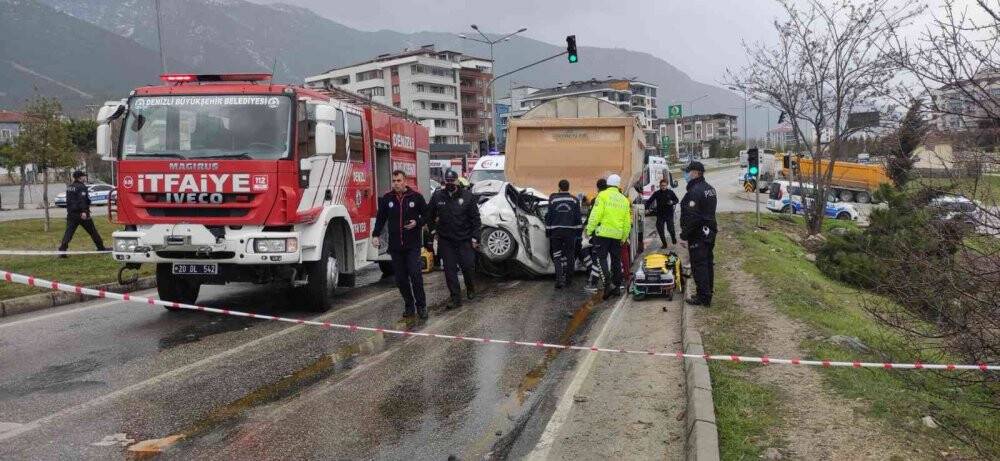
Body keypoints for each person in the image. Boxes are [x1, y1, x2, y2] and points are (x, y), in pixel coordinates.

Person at [372, 170, 428, 319]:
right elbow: (380, 218)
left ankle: (421, 306)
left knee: (415, 275)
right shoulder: (387, 198)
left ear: (405, 181)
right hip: (396, 247)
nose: (396, 183)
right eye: (394, 181)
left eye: (399, 180)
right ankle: (409, 305)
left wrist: (417, 222)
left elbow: (427, 214)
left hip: (412, 245)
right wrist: (375, 235)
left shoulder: (416, 197)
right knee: (401, 279)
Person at [428, 169, 481, 308]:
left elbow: (476, 219)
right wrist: (433, 230)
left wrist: (475, 238)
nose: (450, 183)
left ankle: (470, 287)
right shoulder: (438, 196)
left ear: (457, 181)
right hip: (446, 240)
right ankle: (455, 298)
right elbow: (429, 214)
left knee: (467, 267)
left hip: (464, 239)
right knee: (449, 270)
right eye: (447, 181)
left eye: (452, 181)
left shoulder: (468, 197)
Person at [585, 173, 632, 300]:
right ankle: (617, 287)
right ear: (618, 185)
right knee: (616, 260)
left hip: (602, 234)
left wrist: (589, 230)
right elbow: (627, 222)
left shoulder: (602, 195)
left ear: (608, 183)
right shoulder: (624, 199)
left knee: (601, 259)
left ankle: (608, 284)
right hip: (617, 235)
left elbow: (596, 214)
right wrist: (624, 237)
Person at [679, 161, 718, 306]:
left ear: (695, 173)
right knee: (707, 263)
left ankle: (703, 297)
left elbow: (692, 217)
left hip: (698, 234)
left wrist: (684, 235)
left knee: (699, 265)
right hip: (709, 231)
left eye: (687, 172)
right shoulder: (710, 189)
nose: (685, 174)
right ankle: (707, 292)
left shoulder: (694, 192)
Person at [58, 171, 107, 257]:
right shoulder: (81, 187)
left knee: (68, 233)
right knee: (93, 231)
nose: (85, 178)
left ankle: (62, 250)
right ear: (80, 177)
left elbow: (69, 201)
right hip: (81, 214)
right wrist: (84, 211)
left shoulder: (70, 187)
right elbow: (82, 200)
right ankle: (101, 248)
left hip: (71, 214)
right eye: (84, 176)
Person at [545, 179, 582, 289]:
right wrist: (579, 233)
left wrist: (548, 231)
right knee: (570, 255)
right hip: (570, 232)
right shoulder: (574, 200)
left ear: (559, 187)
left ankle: (559, 281)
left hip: (556, 231)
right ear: (568, 187)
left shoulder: (553, 200)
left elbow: (549, 216)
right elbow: (578, 218)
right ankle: (569, 280)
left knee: (557, 255)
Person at [646, 179, 679, 247]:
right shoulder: (657, 193)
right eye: (662, 185)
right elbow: (649, 201)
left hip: (669, 214)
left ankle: (673, 238)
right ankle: (664, 244)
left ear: (667, 185)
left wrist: (672, 202)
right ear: (660, 186)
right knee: (660, 230)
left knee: (670, 229)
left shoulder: (670, 192)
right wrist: (647, 208)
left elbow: (676, 200)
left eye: (664, 185)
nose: (663, 187)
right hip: (660, 214)